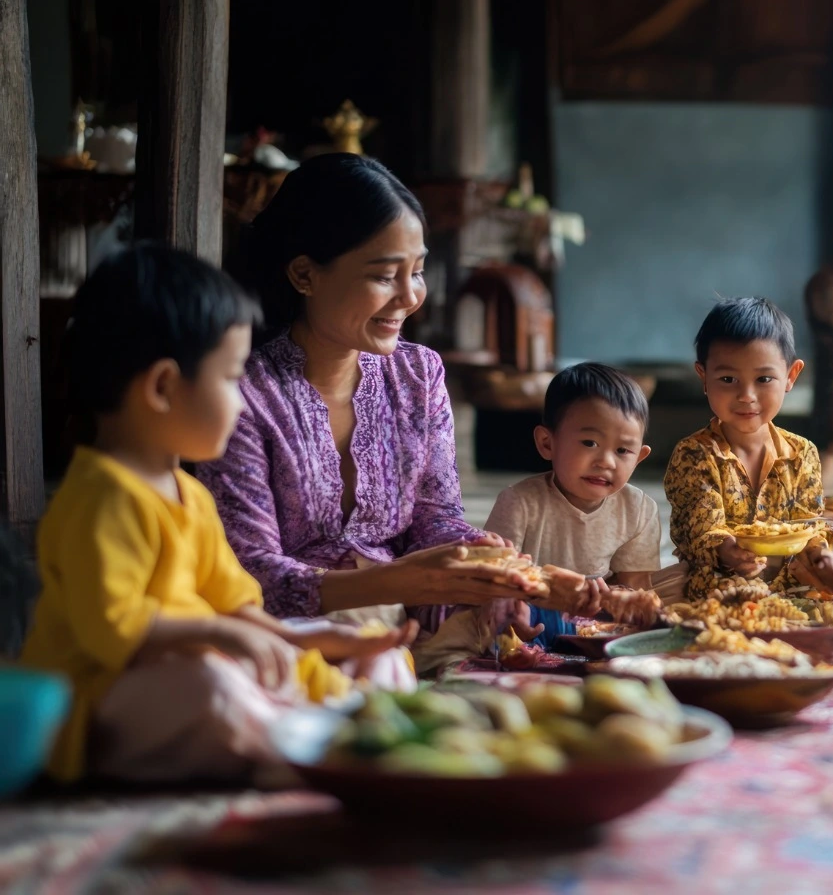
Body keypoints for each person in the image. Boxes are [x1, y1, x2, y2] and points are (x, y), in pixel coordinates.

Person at [19, 244, 415, 784]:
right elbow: (115, 632)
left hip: (201, 663)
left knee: (364, 653)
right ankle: (312, 747)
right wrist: (230, 639)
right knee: (210, 684)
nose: (242, 400)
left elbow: (237, 606)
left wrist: (311, 641)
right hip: (98, 706)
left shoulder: (190, 494)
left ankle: (337, 727)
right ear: (161, 388)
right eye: (230, 379)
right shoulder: (101, 495)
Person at [198, 154, 591, 640]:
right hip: (289, 634)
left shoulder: (418, 374)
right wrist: (387, 583)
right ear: (304, 275)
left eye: (418, 271)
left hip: (404, 615)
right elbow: (249, 574)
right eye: (385, 275)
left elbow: (435, 518)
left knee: (542, 621)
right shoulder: (244, 396)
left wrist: (488, 564)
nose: (410, 297)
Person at [663, 297, 833, 601]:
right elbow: (701, 531)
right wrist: (728, 551)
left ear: (791, 376)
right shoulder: (695, 454)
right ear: (703, 376)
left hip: (794, 590)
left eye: (764, 379)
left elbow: (809, 525)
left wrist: (823, 557)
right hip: (723, 590)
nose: (746, 396)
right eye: (728, 379)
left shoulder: (802, 453)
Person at [484, 362, 663, 617]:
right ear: (547, 443)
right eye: (590, 443)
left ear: (639, 458)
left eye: (623, 451)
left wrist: (619, 602)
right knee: (465, 615)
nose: (606, 462)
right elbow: (494, 578)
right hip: (531, 609)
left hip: (599, 615)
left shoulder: (639, 509)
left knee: (678, 585)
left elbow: (636, 587)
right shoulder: (519, 502)